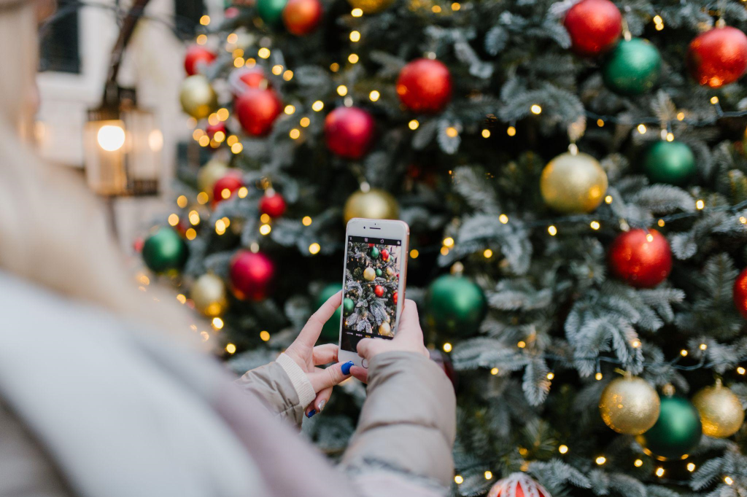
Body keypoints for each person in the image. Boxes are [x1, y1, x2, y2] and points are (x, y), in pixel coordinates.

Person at [0, 1, 457, 496]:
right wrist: (410, 381)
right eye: (34, 41)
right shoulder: (27, 356)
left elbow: (164, 464)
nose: (34, 96)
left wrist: (282, 386)